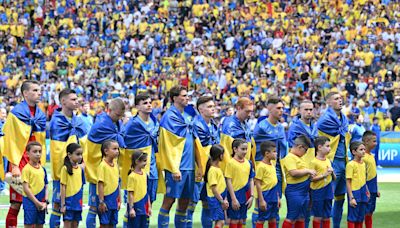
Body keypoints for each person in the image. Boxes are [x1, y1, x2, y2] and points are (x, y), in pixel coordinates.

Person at [3, 80, 47, 228]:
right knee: (16, 203)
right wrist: (14, 165)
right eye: (35, 90)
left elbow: (41, 141)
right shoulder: (16, 113)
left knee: (36, 201)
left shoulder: (40, 114)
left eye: (39, 90)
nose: (39, 93)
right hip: (19, 161)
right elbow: (10, 141)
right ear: (25, 93)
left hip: (35, 163)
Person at [157, 85, 200, 228]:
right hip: (176, 168)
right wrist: (174, 168)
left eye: (187, 95)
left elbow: (194, 143)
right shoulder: (168, 117)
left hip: (189, 166)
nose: (187, 98)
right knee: (169, 201)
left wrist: (198, 165)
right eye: (183, 95)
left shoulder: (188, 117)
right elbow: (167, 146)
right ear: (174, 98)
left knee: (184, 202)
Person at [49, 88, 87, 228]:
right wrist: (65, 167)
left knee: (75, 207)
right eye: (73, 99)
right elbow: (56, 150)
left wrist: (83, 164)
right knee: (58, 205)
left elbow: (85, 145)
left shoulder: (80, 121)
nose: (76, 102)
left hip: (77, 172)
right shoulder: (56, 121)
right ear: (63, 101)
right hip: (63, 171)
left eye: (77, 99)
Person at [85, 98, 126, 228]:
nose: (119, 118)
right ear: (109, 110)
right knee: (94, 207)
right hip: (98, 170)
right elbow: (92, 148)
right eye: (117, 115)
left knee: (111, 209)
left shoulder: (117, 124)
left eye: (121, 116)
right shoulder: (101, 125)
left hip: (112, 171)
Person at [123, 93, 159, 225]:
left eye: (150, 102)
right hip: (136, 171)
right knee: (133, 202)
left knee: (148, 204)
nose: (149, 105)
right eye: (145, 103)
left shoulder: (154, 122)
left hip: (152, 168)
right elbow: (123, 143)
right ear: (137, 106)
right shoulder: (132, 124)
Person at [317, 92, 350, 228]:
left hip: (344, 161)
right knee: (327, 198)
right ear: (329, 103)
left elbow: (345, 136)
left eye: (341, 98)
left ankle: (336, 226)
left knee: (340, 198)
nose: (340, 100)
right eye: (336, 99)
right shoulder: (325, 119)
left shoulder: (344, 118)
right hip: (332, 162)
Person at [188, 95, 220, 228]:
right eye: (209, 107)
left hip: (211, 170)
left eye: (213, 106)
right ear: (200, 109)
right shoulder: (194, 125)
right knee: (190, 206)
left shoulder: (214, 125)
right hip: (197, 170)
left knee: (208, 204)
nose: (213, 109)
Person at [287, 100, 317, 228]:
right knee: (295, 211)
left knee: (308, 208)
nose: (309, 112)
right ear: (299, 111)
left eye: (311, 109)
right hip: (300, 172)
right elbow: (292, 150)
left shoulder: (314, 126)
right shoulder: (294, 127)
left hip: (312, 171)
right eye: (306, 109)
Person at [281, 135, 316, 228]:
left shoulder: (299, 158)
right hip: (295, 191)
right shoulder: (289, 157)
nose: (305, 153)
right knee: (292, 216)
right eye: (306, 150)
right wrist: (308, 171)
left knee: (301, 217)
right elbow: (293, 172)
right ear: (300, 147)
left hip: (304, 191)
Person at [225, 138, 255, 228]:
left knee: (242, 219)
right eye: (243, 149)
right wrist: (233, 199)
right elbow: (228, 181)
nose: (245, 151)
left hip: (246, 195)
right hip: (235, 194)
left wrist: (252, 196)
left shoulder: (248, 163)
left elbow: (251, 179)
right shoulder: (231, 163)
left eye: (246, 149)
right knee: (234, 219)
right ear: (235, 149)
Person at [220, 97, 255, 170]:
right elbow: (226, 151)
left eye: (251, 111)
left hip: (244, 166)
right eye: (247, 111)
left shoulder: (245, 123)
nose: (249, 115)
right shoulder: (229, 125)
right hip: (234, 169)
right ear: (239, 108)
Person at [310, 136, 336, 228]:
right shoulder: (313, 162)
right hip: (318, 191)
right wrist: (324, 175)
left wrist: (332, 173)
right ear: (319, 147)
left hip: (328, 190)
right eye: (327, 146)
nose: (330, 148)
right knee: (318, 215)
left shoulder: (328, 161)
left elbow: (334, 178)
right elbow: (311, 179)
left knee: (327, 215)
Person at [21, 141, 48, 228]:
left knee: (40, 224)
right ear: (27, 154)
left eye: (40, 151)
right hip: (30, 201)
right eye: (35, 151)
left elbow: (46, 185)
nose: (38, 154)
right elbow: (26, 188)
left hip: (41, 201)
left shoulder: (43, 169)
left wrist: (45, 200)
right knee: (29, 224)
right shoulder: (26, 169)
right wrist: (36, 202)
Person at [254, 141, 280, 228]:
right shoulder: (261, 166)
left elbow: (274, 182)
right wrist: (261, 200)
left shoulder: (272, 164)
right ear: (267, 154)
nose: (276, 153)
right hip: (265, 195)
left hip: (273, 195)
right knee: (262, 219)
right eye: (274, 151)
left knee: (273, 218)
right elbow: (257, 183)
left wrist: (278, 197)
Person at [60, 143, 85, 228]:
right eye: (78, 154)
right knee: (67, 224)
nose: (80, 157)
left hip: (78, 202)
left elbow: (82, 186)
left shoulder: (80, 169)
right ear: (69, 155)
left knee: (75, 224)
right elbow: (63, 187)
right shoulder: (65, 169)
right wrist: (63, 204)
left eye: (81, 154)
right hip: (69, 202)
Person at [97, 140, 121, 228]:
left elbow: (117, 183)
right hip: (106, 199)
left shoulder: (116, 164)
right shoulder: (102, 166)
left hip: (114, 199)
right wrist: (101, 201)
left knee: (113, 223)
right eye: (114, 149)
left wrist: (119, 200)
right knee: (104, 223)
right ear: (106, 151)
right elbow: (100, 184)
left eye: (118, 149)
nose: (117, 151)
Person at [346, 141, 369, 228]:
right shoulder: (350, 165)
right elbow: (348, 181)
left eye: (364, 149)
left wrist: (367, 191)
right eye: (361, 149)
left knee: (360, 218)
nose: (363, 151)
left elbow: (363, 179)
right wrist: (351, 197)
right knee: (352, 217)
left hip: (363, 192)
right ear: (354, 152)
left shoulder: (363, 164)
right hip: (355, 193)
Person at [204, 144, 228, 228]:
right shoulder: (212, 170)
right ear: (220, 155)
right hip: (215, 199)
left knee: (221, 221)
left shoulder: (217, 168)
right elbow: (214, 188)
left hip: (219, 198)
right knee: (220, 221)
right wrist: (222, 200)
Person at [127, 150, 151, 228]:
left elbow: (146, 191)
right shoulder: (132, 176)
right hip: (136, 205)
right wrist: (131, 208)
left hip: (144, 204)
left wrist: (149, 206)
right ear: (137, 161)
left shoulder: (144, 174)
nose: (146, 163)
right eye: (144, 161)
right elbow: (131, 193)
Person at [362, 131, 380, 228]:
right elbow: (362, 176)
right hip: (366, 189)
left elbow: (373, 174)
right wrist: (366, 189)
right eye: (374, 141)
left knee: (370, 211)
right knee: (365, 212)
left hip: (372, 189)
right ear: (367, 141)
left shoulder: (371, 156)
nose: (376, 143)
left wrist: (376, 189)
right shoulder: (363, 157)